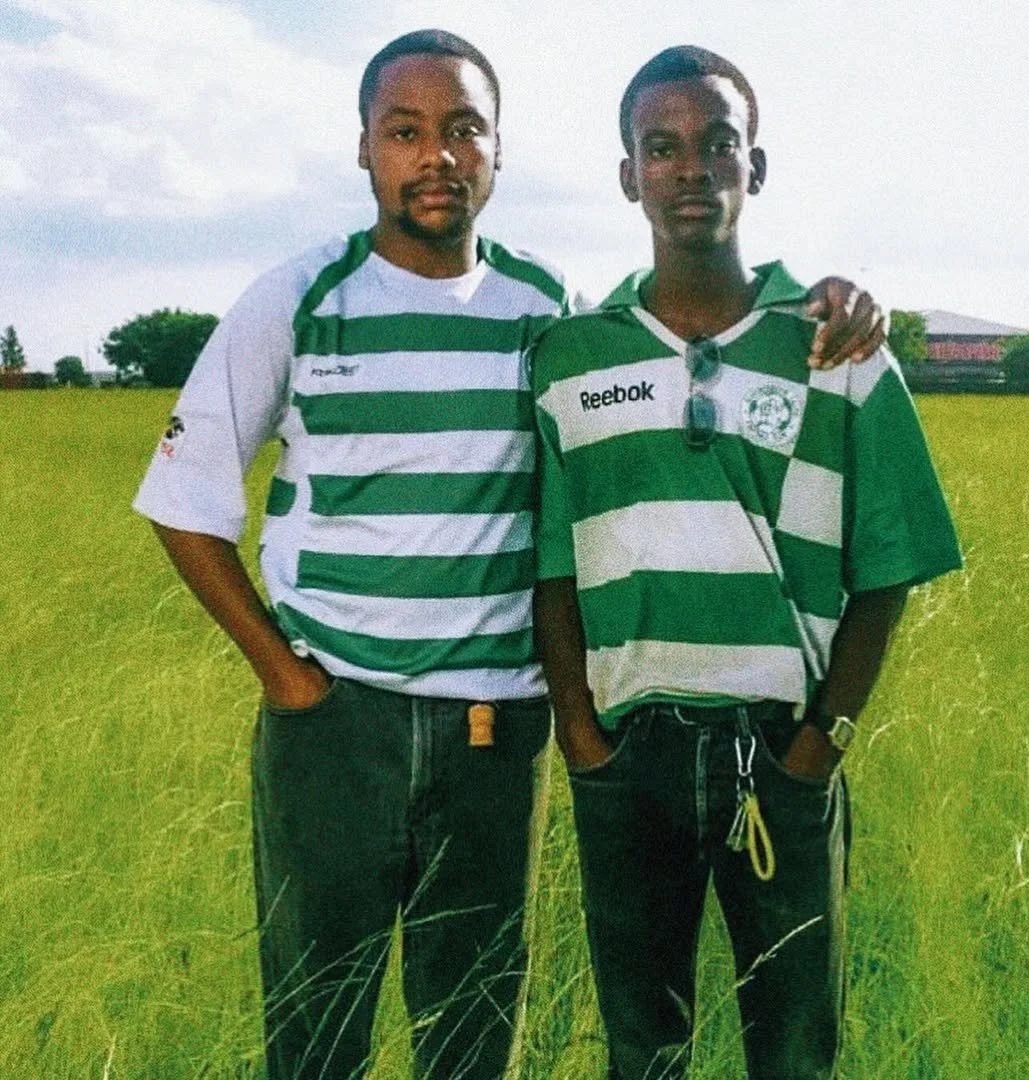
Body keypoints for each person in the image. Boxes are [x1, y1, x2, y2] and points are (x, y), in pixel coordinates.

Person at [134, 30, 887, 1080]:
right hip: (332, 724)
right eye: (406, 131)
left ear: (497, 151)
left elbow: (669, 356)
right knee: (314, 1034)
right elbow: (183, 496)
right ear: (365, 150)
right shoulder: (297, 300)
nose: (436, 155)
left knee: (475, 1036)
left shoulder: (547, 313)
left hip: (499, 736)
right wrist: (287, 680)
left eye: (462, 129)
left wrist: (834, 299)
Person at [531, 46, 963, 1080]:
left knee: (797, 1049)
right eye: (663, 148)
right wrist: (583, 740)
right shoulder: (571, 358)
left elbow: (888, 569)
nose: (692, 169)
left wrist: (822, 745)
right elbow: (554, 568)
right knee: (643, 1050)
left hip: (783, 752)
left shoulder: (838, 350)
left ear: (754, 170)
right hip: (629, 757)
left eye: (718, 145)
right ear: (629, 175)